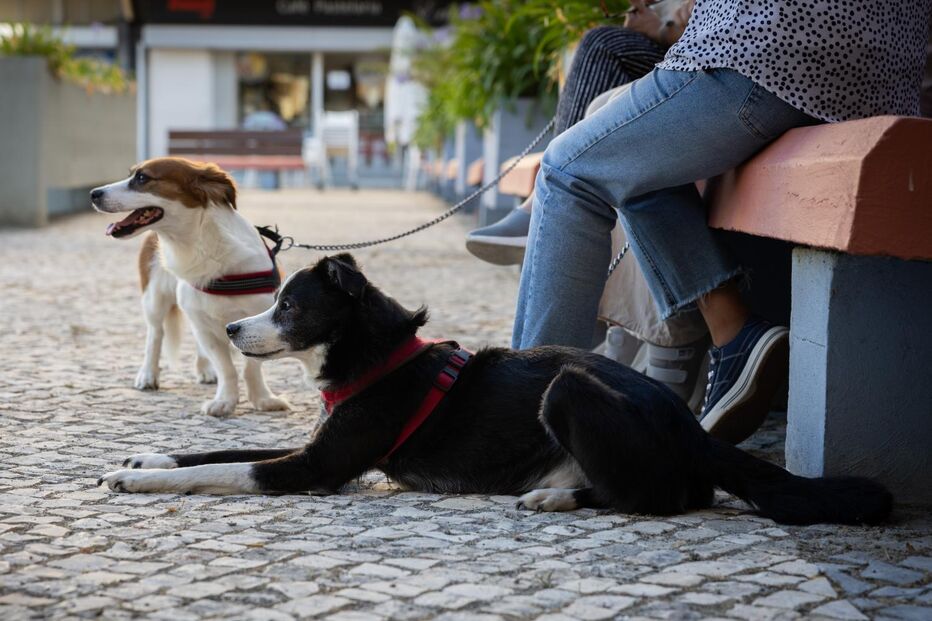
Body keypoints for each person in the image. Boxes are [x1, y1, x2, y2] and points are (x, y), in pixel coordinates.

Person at [511, 0, 932, 444]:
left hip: (763, 51)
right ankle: (733, 332)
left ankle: (528, 416)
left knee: (566, 171)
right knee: (630, 163)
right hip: (878, 77)